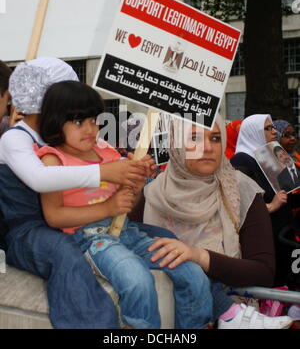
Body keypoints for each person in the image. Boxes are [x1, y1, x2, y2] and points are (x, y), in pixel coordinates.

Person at [36, 80, 213, 329]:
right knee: (137, 281)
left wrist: (137, 181)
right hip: (89, 239)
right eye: (78, 121)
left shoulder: (106, 151)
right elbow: (54, 216)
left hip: (127, 231)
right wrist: (109, 208)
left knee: (192, 272)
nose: (89, 128)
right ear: (55, 120)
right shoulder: (53, 161)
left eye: (94, 120)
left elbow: (127, 203)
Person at [0, 57, 158, 329]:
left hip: (79, 222)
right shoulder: (16, 137)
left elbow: (111, 167)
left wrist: (133, 169)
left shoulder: (75, 134)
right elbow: (40, 178)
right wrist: (105, 173)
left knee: (163, 240)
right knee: (63, 253)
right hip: (28, 230)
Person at [143, 114, 293, 329]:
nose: (207, 147)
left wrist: (200, 257)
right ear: (176, 145)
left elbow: (263, 273)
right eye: (194, 138)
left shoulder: (243, 190)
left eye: (215, 138)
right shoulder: (151, 194)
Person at [231, 114, 293, 286]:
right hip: (264, 234)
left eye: (273, 127)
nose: (275, 132)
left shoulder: (271, 154)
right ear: (253, 132)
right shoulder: (241, 160)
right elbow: (238, 204)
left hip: (283, 231)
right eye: (268, 128)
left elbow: (289, 189)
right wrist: (271, 206)